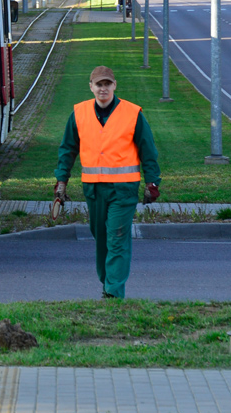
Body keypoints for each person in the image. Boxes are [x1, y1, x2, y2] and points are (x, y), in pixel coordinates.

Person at [53, 66, 161, 299]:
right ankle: (107, 283)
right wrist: (61, 181)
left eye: (107, 84)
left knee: (117, 236)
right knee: (100, 236)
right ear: (91, 86)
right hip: (93, 189)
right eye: (98, 84)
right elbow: (67, 150)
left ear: (114, 86)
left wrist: (152, 182)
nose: (103, 88)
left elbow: (148, 150)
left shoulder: (132, 113)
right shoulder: (79, 114)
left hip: (124, 189)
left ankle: (113, 292)